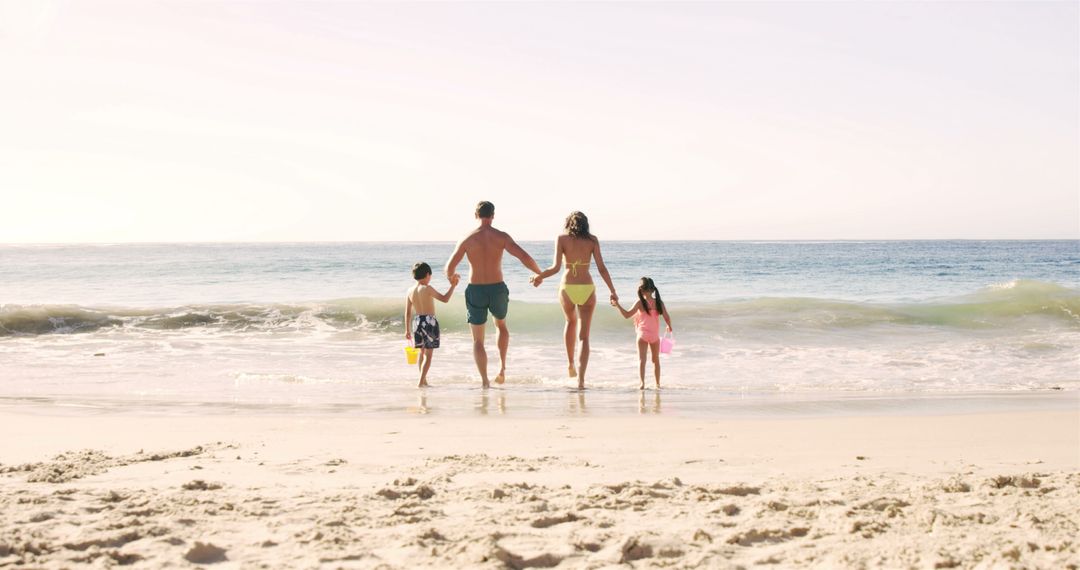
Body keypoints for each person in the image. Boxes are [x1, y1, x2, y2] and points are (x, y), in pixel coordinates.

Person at [445, 201, 543, 388]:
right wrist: (539, 274)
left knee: (478, 340)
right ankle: (502, 368)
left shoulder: (467, 239)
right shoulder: (501, 237)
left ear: (476, 215)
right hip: (497, 288)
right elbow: (524, 256)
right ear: (493, 215)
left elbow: (449, 267)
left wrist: (452, 278)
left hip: (476, 289)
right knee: (501, 326)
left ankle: (484, 382)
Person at [530, 211, 617, 389]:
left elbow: (555, 268)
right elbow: (601, 268)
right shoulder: (592, 240)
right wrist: (612, 290)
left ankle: (570, 364)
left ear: (568, 224)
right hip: (586, 287)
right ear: (586, 224)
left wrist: (539, 276)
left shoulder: (561, 239)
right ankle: (581, 380)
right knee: (584, 337)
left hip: (567, 287)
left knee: (570, 322)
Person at [404, 262, 459, 387]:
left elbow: (407, 313)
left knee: (421, 353)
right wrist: (453, 286)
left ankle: (424, 381)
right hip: (429, 321)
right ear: (427, 274)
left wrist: (406, 330)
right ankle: (420, 382)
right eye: (430, 276)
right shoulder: (427, 288)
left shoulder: (410, 290)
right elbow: (445, 299)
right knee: (428, 355)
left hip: (417, 322)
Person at [612, 277, 673, 390]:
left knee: (642, 360)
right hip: (654, 337)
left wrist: (618, 305)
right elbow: (666, 317)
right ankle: (657, 384)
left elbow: (627, 315)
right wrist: (669, 326)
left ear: (641, 290)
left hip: (642, 335)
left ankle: (642, 384)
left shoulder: (640, 303)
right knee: (656, 361)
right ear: (653, 290)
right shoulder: (659, 302)